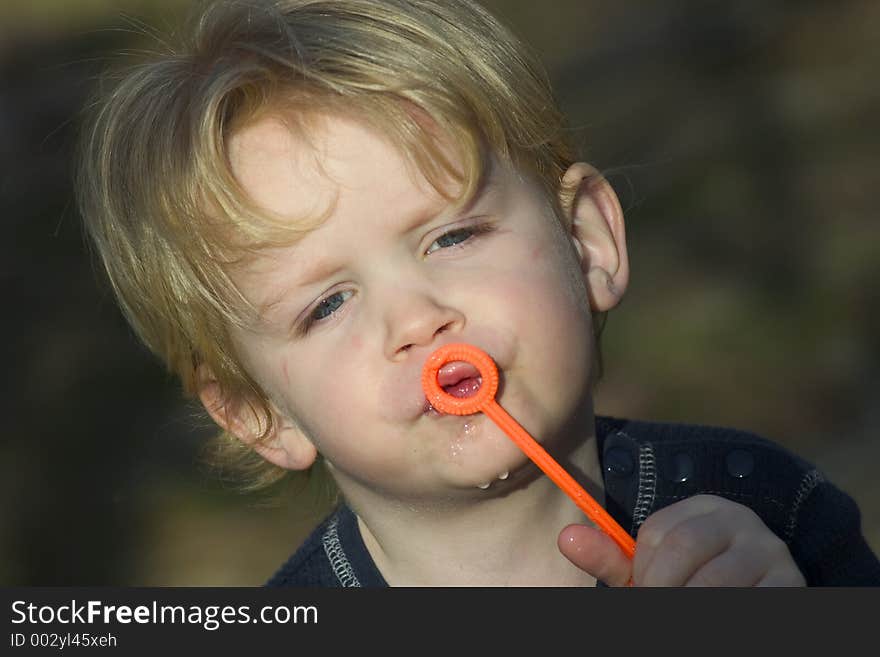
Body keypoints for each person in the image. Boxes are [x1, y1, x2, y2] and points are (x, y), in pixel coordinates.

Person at [77, 0, 880, 586]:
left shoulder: (761, 505)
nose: (418, 319)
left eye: (451, 237)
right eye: (326, 304)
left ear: (588, 243)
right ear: (261, 412)